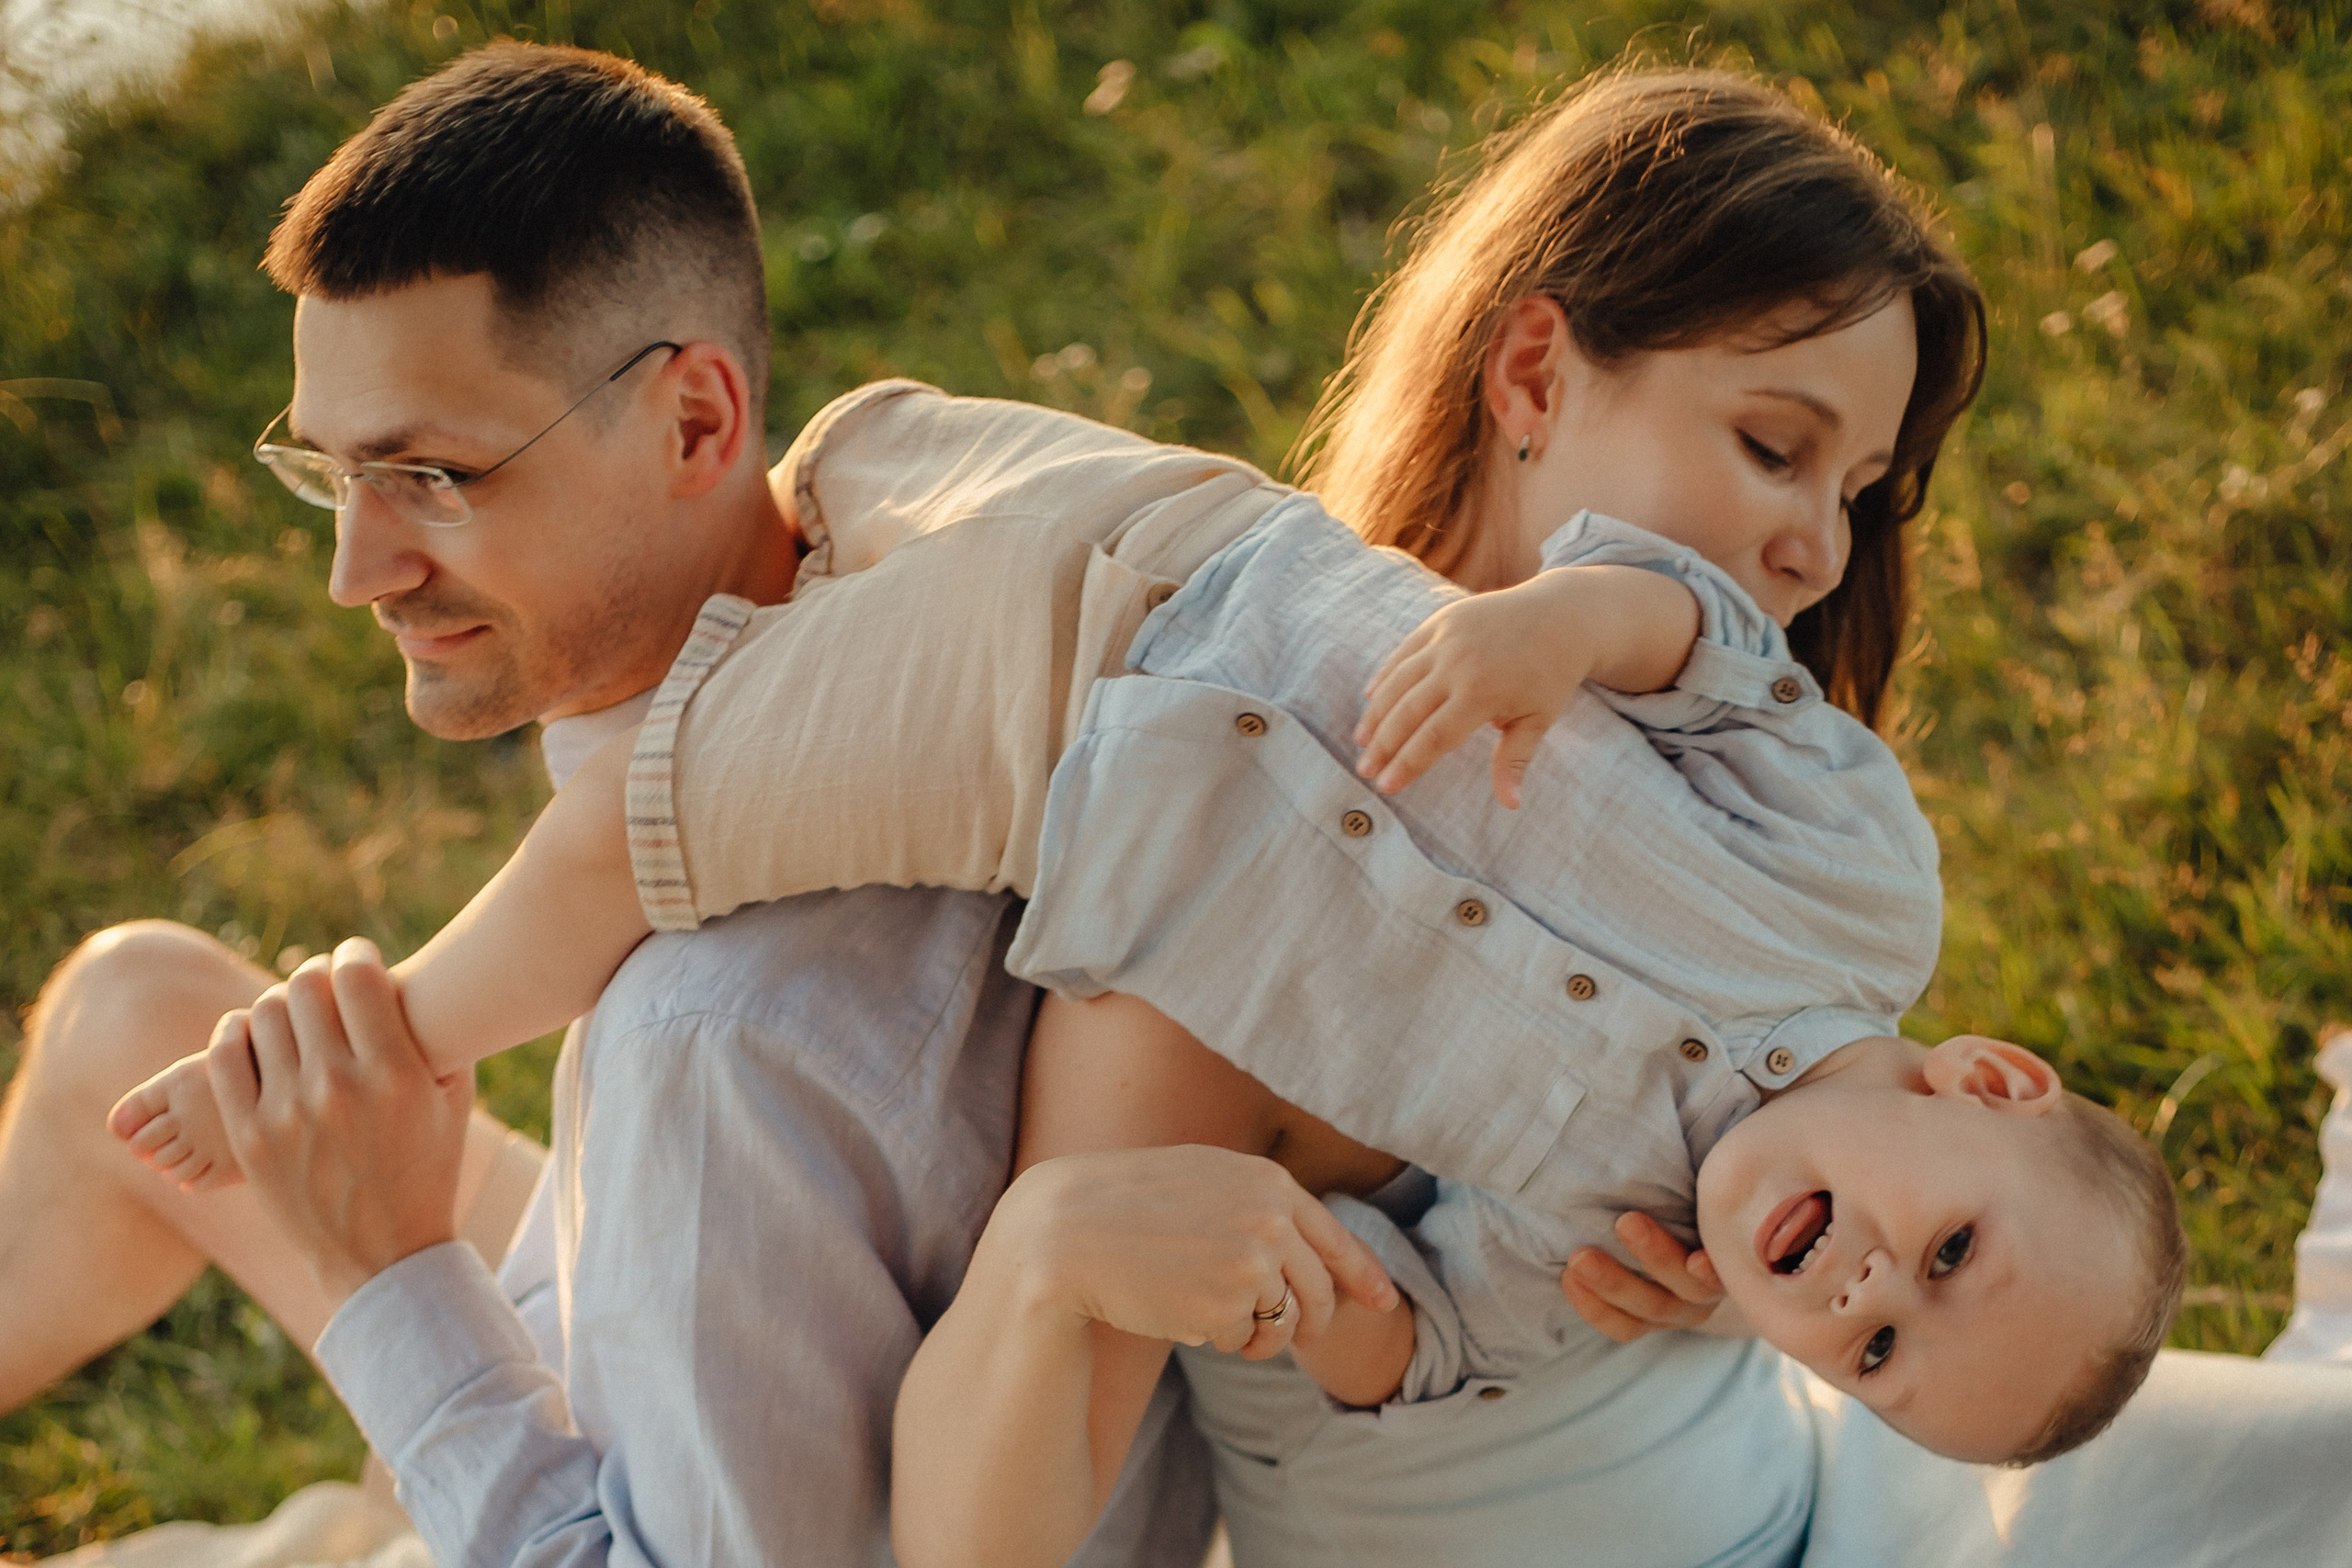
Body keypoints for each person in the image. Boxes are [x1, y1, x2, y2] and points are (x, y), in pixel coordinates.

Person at [122, 63, 2172, 1551]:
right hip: (1094, 669)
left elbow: (1426, 1324)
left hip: (1041, 890)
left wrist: (1691, 1280)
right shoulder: (1753, 833)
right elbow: (1713, 671)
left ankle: (349, 1083)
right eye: (1776, 444)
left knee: (343, 950)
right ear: (1529, 376)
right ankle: (364, 1066)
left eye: (1856, 490)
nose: (1816, 549)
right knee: (624, 823)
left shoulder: (1668, 1158)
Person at [1, 41, 1216, 1567]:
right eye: (333, 475)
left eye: (433, 475)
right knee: (140, 1005)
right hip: (670, 1324)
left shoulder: (709, 1049)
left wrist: (387, 1275)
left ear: (697, 423)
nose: (352, 572)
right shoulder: (917, 604)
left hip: (597, 1454)